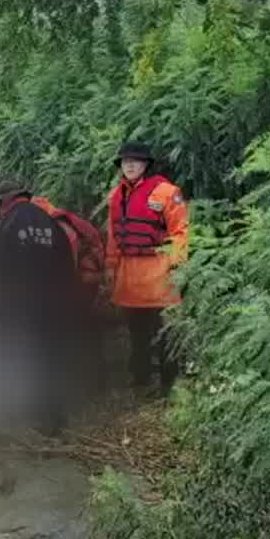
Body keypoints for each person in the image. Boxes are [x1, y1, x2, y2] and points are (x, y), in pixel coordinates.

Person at [0, 181, 100, 430]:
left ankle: (32, 413)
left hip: (23, 305)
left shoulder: (6, 227)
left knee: (27, 356)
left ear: (3, 203)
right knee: (51, 357)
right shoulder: (51, 224)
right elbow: (68, 265)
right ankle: (55, 417)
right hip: (55, 304)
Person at [105, 141, 189, 393]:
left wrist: (176, 267)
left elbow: (180, 232)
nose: (129, 165)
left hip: (159, 274)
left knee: (164, 333)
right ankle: (140, 379)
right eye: (125, 161)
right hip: (130, 276)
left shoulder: (167, 192)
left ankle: (168, 384)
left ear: (146, 165)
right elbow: (113, 236)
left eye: (135, 161)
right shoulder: (116, 195)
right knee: (137, 334)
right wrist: (111, 268)